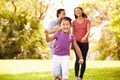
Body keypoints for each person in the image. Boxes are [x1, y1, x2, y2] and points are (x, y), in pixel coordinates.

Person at [72, 7, 91, 80]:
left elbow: (88, 31)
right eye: (76, 11)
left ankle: (80, 77)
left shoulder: (87, 20)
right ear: (75, 13)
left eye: (79, 10)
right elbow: (73, 33)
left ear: (82, 11)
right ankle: (76, 76)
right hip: (76, 43)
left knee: (83, 60)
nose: (77, 12)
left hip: (85, 43)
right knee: (77, 59)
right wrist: (72, 43)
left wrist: (85, 37)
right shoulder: (73, 22)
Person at [47, 9, 66, 80]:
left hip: (63, 46)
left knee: (62, 64)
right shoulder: (53, 22)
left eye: (65, 14)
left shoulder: (65, 23)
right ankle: (57, 78)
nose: (64, 15)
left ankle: (58, 78)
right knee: (56, 64)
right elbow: (48, 31)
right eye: (63, 14)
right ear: (58, 14)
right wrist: (59, 29)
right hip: (54, 46)